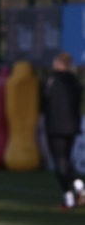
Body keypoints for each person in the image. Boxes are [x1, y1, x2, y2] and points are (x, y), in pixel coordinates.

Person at [41, 51, 84, 209]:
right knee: (64, 160)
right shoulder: (76, 82)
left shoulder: (51, 80)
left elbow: (44, 102)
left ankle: (70, 197)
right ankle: (77, 190)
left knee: (60, 161)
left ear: (59, 63)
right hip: (72, 126)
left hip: (55, 126)